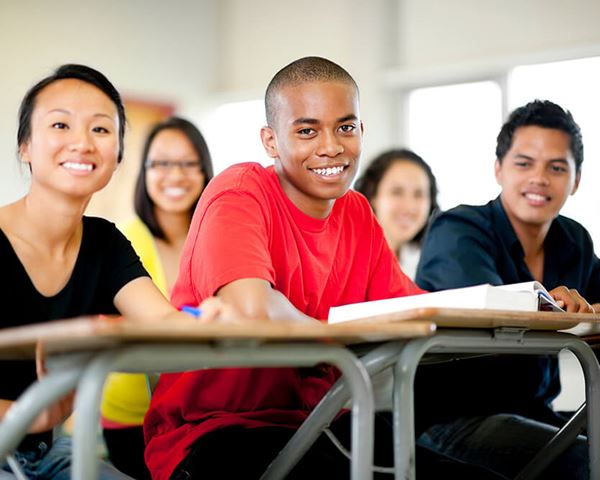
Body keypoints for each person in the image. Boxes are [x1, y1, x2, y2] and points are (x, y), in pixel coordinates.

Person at [143, 56, 515, 480]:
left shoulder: (357, 211)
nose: (331, 147)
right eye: (306, 131)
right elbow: (252, 305)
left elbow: (421, 310)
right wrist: (334, 336)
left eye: (346, 127)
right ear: (270, 140)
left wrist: (536, 303)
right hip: (215, 433)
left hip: (318, 424)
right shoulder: (240, 192)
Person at [0, 64, 221, 480]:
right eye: (61, 124)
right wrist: (32, 414)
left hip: (50, 451)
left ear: (118, 157)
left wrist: (205, 317)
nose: (82, 143)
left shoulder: (103, 242)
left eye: (100, 130)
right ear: (25, 146)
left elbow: (164, 322)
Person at [415, 99, 599, 479]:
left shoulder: (574, 240)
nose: (539, 178)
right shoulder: (458, 229)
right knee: (588, 464)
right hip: (450, 420)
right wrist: (555, 307)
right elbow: (491, 314)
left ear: (576, 180)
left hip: (533, 412)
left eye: (557, 167)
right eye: (523, 163)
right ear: (498, 169)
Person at [100, 117, 214, 479]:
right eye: (162, 163)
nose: (175, 175)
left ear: (205, 170)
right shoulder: (122, 243)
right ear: (144, 171)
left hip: (204, 413)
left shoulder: (218, 241)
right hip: (134, 418)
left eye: (187, 163)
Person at [354, 148, 439, 279]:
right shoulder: (346, 262)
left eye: (419, 194)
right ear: (372, 196)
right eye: (397, 192)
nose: (409, 207)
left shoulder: (430, 263)